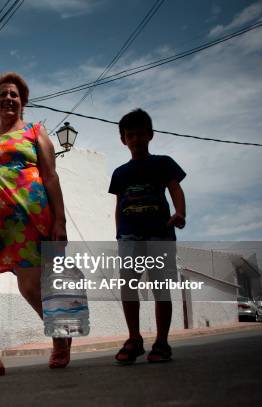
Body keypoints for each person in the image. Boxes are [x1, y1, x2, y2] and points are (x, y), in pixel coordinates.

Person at [0, 72, 68, 380]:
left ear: (22, 102)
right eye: (2, 95)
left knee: (30, 286)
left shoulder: (35, 132)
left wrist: (59, 220)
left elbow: (50, 177)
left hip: (27, 220)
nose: (8, 98)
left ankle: (60, 335)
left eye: (14, 95)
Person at [108, 109, 186, 364]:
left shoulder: (163, 163)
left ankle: (162, 342)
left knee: (160, 287)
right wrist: (119, 235)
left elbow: (175, 187)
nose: (136, 139)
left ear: (150, 135)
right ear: (123, 140)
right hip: (130, 238)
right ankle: (135, 339)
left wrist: (180, 213)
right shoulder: (120, 173)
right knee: (128, 286)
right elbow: (119, 205)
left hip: (159, 235)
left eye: (141, 134)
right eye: (130, 135)